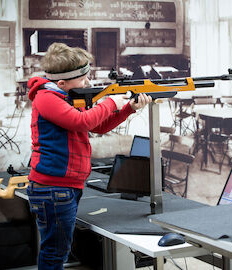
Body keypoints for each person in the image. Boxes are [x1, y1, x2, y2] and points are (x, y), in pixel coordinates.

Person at [26, 42, 152, 270]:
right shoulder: (46, 98)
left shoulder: (64, 97)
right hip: (54, 188)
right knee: (55, 254)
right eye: (83, 79)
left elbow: (97, 127)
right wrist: (111, 101)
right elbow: (82, 121)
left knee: (57, 251)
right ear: (62, 82)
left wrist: (128, 109)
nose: (88, 83)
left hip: (65, 187)